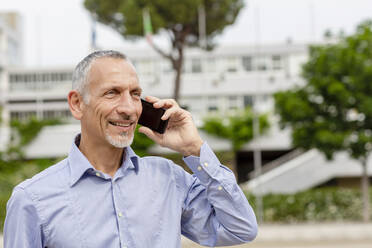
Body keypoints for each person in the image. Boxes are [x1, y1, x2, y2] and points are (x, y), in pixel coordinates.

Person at [4, 50, 257, 247]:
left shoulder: (169, 179)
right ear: (77, 103)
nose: (128, 108)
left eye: (135, 94)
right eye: (112, 93)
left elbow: (240, 229)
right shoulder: (32, 199)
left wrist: (194, 149)